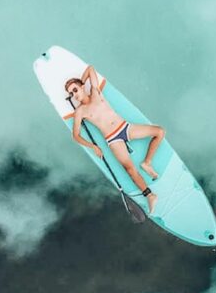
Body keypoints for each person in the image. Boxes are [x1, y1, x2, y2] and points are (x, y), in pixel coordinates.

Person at [65, 66, 165, 213]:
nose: (74, 95)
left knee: (159, 132)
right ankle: (150, 195)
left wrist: (82, 83)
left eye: (75, 90)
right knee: (130, 169)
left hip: (125, 127)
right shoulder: (80, 111)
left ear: (81, 86)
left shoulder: (95, 92)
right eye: (71, 93)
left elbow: (91, 69)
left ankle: (147, 163)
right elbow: (75, 135)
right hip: (112, 139)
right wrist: (93, 146)